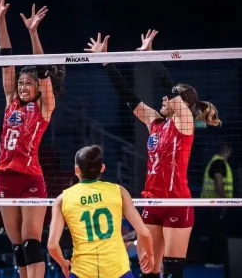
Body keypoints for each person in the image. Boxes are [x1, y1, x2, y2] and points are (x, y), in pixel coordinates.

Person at [85, 30, 222, 278]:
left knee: (171, 271)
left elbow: (167, 87)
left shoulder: (185, 124)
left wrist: (152, 56)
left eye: (170, 99)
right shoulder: (155, 123)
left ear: (181, 104)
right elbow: (128, 96)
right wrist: (104, 61)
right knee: (148, 269)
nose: (164, 99)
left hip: (177, 202)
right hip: (152, 202)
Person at [0, 0, 65, 278]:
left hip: (30, 178)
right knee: (17, 245)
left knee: (32, 242)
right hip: (4, 177)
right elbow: (6, 59)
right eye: (21, 82)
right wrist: (1, 20)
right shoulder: (11, 102)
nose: (22, 86)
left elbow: (44, 72)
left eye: (28, 83)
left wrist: (33, 33)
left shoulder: (45, 107)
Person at [47, 145, 154, 278]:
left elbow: (52, 245)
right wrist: (150, 254)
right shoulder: (119, 191)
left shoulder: (62, 199)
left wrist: (63, 264)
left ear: (76, 170)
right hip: (117, 270)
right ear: (102, 168)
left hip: (82, 271)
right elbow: (144, 232)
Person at [200, 143, 233, 267]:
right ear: (227, 151)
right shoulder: (219, 163)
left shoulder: (215, 162)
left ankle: (213, 260)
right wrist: (225, 201)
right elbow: (219, 181)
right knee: (217, 234)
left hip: (212, 205)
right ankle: (214, 260)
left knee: (214, 233)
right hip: (215, 206)